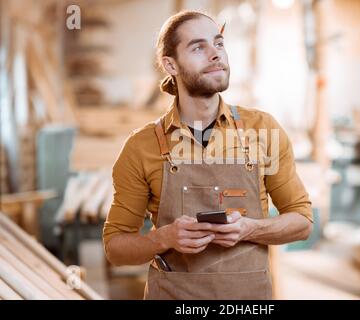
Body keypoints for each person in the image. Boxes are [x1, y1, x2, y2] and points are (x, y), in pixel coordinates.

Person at [103, 10, 313, 300]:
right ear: (170, 65)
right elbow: (115, 247)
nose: (216, 54)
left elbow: (302, 222)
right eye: (198, 47)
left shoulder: (262, 130)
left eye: (219, 43)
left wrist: (249, 229)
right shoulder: (142, 147)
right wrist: (162, 238)